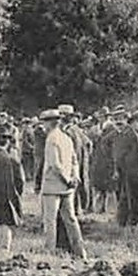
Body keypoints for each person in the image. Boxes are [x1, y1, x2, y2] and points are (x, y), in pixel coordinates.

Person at [38, 108, 88, 259]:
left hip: (53, 186)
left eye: (44, 123)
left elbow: (55, 164)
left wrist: (66, 178)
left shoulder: (51, 139)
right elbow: (74, 160)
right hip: (68, 188)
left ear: (48, 123)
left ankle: (49, 253)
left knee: (50, 221)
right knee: (71, 219)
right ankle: (80, 251)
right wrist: (74, 177)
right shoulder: (66, 138)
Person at [111, 109, 138, 226]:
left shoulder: (131, 134)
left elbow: (137, 154)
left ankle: (135, 221)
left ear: (126, 120)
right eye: (116, 120)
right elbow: (114, 152)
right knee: (124, 196)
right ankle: (124, 221)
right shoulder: (117, 134)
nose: (118, 122)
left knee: (133, 197)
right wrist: (116, 168)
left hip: (132, 171)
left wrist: (127, 168)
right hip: (122, 170)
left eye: (121, 119)